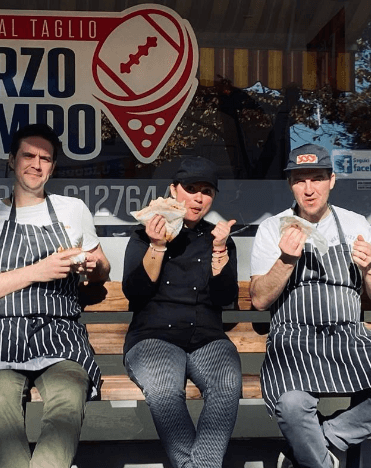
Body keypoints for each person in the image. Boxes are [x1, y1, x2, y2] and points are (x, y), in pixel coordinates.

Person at [249, 144, 371, 468]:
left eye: (317, 178)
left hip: (349, 337)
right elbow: (258, 299)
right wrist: (286, 260)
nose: (309, 189)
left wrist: (369, 268)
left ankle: (320, 440)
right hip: (294, 341)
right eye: (300, 180)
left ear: (332, 180)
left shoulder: (356, 225)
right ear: (290, 184)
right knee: (291, 405)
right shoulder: (274, 228)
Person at [0, 123, 110, 468]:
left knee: (69, 396)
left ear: (53, 166)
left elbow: (102, 268)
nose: (36, 165)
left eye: (45, 159)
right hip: (0, 335)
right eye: (28, 156)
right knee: (0, 399)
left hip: (60, 334)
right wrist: (37, 271)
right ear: (12, 160)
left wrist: (94, 266)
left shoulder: (73, 210)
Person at [122, 156, 242, 468]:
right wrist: (157, 245)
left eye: (207, 191)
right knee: (163, 389)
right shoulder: (143, 234)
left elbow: (225, 297)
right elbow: (135, 293)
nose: (198, 198)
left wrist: (220, 250)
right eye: (191, 189)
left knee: (227, 384)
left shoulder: (218, 238)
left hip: (207, 338)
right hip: (154, 338)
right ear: (174, 190)